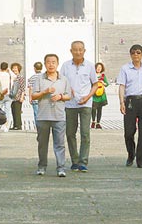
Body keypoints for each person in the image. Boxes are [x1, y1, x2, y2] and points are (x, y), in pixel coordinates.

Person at [61, 40, 99, 172]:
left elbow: (95, 84)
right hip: (70, 104)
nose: (78, 52)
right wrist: (67, 90)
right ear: (71, 51)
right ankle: (74, 160)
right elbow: (61, 82)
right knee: (70, 133)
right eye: (75, 49)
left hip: (85, 104)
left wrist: (88, 97)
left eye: (80, 49)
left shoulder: (89, 66)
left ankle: (83, 161)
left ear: (84, 51)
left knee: (85, 133)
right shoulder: (65, 66)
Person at [32, 53, 72, 177]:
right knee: (42, 143)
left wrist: (60, 97)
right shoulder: (39, 79)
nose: (51, 64)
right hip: (43, 116)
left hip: (59, 116)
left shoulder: (64, 79)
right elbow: (33, 96)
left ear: (57, 64)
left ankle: (61, 168)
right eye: (48, 62)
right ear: (45, 64)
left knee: (59, 143)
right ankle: (42, 166)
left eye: (53, 62)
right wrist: (45, 91)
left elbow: (69, 96)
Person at [0, 61, 15, 132]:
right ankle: (6, 126)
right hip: (8, 94)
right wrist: (9, 70)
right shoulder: (9, 75)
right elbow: (15, 77)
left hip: (0, 94)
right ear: (7, 67)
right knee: (7, 111)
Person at [91, 62, 109, 129]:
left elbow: (107, 84)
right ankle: (93, 121)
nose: (99, 69)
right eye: (97, 67)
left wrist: (103, 82)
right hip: (94, 95)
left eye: (100, 68)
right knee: (93, 109)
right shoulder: (92, 75)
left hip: (101, 95)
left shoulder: (103, 76)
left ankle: (98, 123)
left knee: (99, 109)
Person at [9, 63, 26, 130]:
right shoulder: (12, 77)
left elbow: (22, 88)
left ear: (19, 69)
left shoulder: (20, 77)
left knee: (17, 112)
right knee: (13, 111)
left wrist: (22, 97)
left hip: (18, 97)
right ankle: (15, 125)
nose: (14, 69)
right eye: (13, 68)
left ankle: (18, 125)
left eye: (15, 68)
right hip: (12, 97)